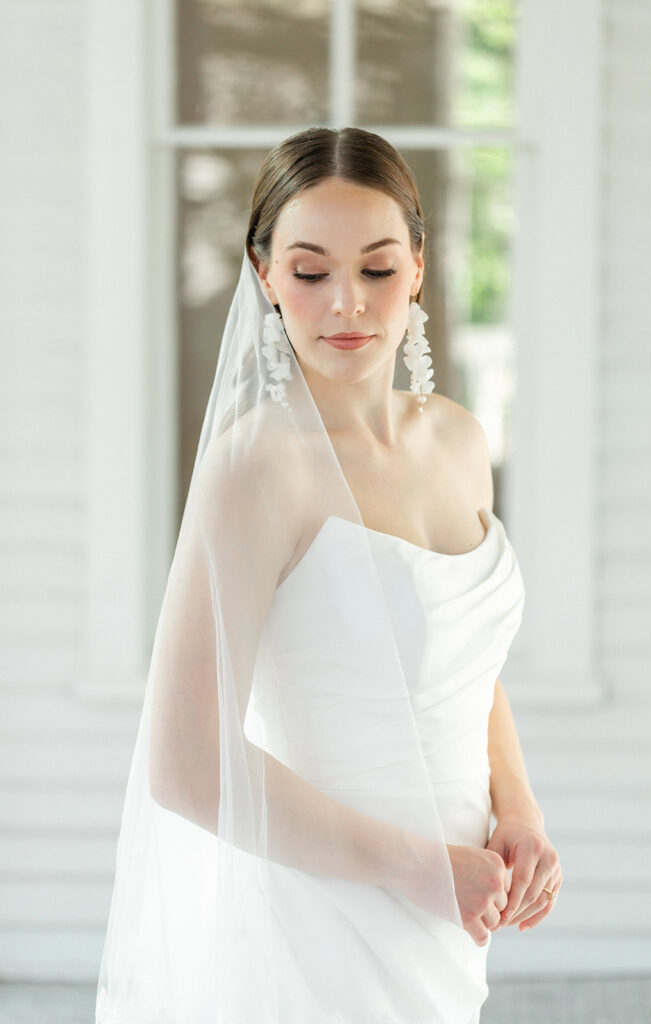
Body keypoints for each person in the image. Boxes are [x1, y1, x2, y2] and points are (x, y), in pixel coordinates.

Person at [96, 126, 562, 1024]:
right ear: (265, 275)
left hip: (454, 910)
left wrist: (521, 812)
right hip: (320, 912)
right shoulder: (256, 472)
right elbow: (185, 766)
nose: (346, 304)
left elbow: (469, 668)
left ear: (418, 269)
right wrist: (417, 866)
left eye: (378, 269)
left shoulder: (460, 441)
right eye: (310, 273)